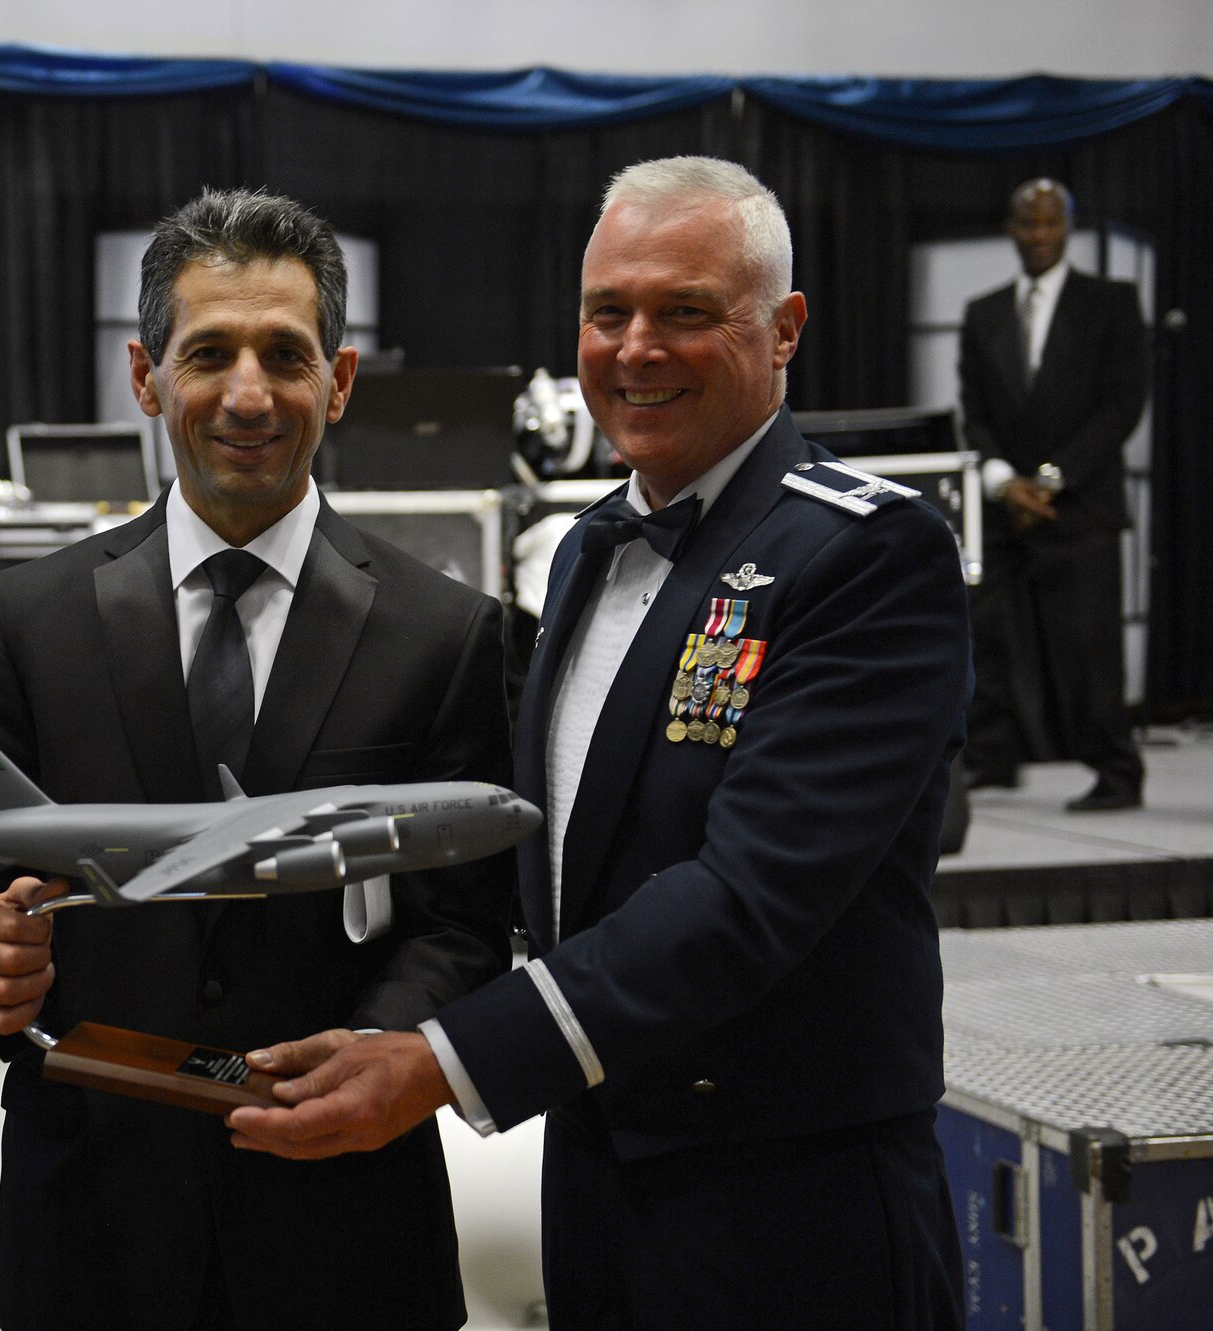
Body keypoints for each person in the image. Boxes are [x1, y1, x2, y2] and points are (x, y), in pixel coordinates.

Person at [229, 158, 971, 1331]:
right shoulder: (584, 548)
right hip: (597, 1174)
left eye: (685, 311)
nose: (634, 348)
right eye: (605, 311)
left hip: (790, 1197)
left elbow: (747, 897)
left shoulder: (866, 555)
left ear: (782, 329)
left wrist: (443, 1059)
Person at [0, 187, 513, 1330]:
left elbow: (467, 920)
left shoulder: (445, 632)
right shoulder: (23, 617)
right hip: (92, 1216)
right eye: (208, 354)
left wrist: (375, 1049)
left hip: (345, 1220)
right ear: (145, 376)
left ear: (337, 381)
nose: (247, 393)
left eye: (285, 354)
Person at [958, 178, 1149, 810]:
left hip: (1081, 506)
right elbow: (975, 412)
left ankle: (1116, 772)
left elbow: (1122, 406)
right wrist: (1002, 481)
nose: (1039, 235)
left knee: (1089, 648)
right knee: (988, 639)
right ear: (1010, 230)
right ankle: (993, 757)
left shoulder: (1112, 303)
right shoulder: (982, 313)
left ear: (1067, 227)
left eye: (1050, 223)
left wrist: (1049, 479)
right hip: (1002, 508)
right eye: (1027, 223)